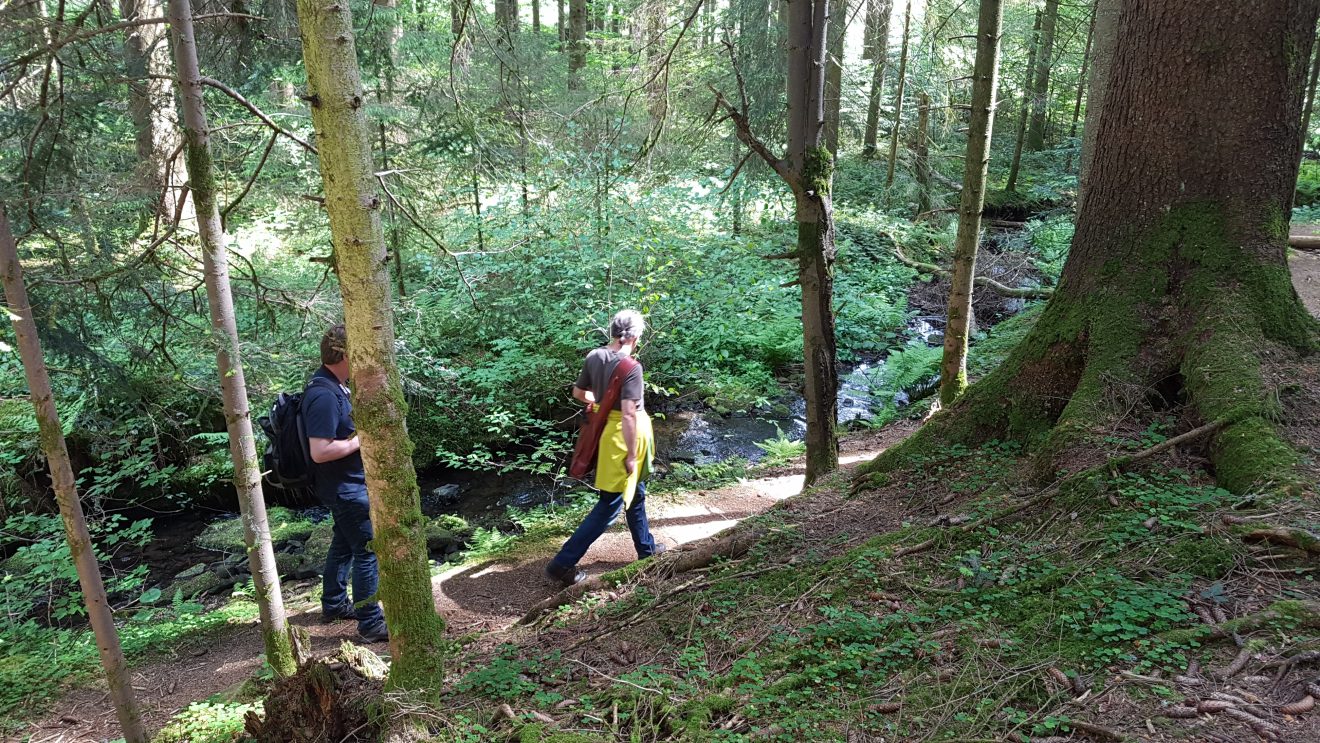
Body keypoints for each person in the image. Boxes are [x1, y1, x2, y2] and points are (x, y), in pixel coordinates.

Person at [545, 310, 667, 586]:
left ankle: (646, 550)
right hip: (624, 439)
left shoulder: (594, 356)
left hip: (607, 434)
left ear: (612, 332)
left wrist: (599, 403)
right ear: (635, 336)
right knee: (610, 504)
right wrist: (633, 456)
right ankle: (562, 563)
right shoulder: (631, 367)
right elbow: (627, 414)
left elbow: (578, 394)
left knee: (636, 493)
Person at [303, 323, 389, 643]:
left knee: (343, 544)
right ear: (344, 354)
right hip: (345, 489)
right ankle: (370, 622)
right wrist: (360, 441)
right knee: (368, 551)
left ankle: (335, 603)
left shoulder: (335, 385)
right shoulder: (323, 394)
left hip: (345, 486)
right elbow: (320, 451)